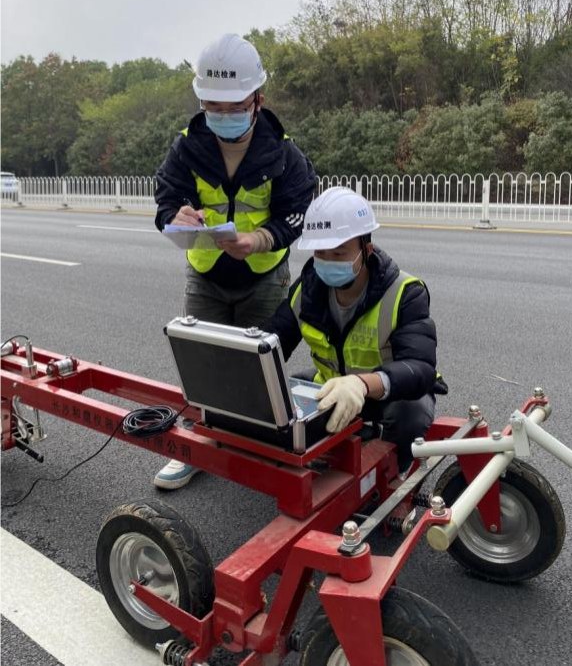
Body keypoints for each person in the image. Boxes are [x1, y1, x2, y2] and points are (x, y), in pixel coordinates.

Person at [153, 33, 316, 488]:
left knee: (261, 365)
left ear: (258, 100)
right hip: (205, 273)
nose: (223, 116)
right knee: (202, 361)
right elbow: (165, 198)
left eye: (234, 106)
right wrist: (175, 214)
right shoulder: (187, 146)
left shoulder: (282, 152)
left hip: (262, 276)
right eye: (213, 107)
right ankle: (199, 447)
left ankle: (263, 450)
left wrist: (261, 239)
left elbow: (295, 213)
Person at [265, 187, 446, 474]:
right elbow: (271, 344)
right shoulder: (305, 291)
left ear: (366, 250)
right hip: (335, 385)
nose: (328, 261)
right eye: (321, 253)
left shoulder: (404, 292)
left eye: (339, 252)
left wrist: (362, 384)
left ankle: (390, 480)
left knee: (410, 414)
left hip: (385, 394)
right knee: (285, 392)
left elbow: (420, 369)